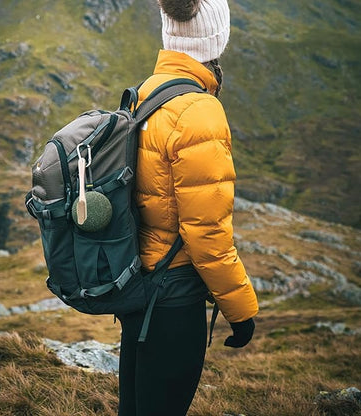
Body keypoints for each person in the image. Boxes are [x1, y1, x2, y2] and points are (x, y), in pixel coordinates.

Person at [117, 1, 259, 415]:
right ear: (217, 36)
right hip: (173, 298)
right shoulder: (199, 111)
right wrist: (241, 310)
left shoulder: (145, 91)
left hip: (138, 288)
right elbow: (206, 231)